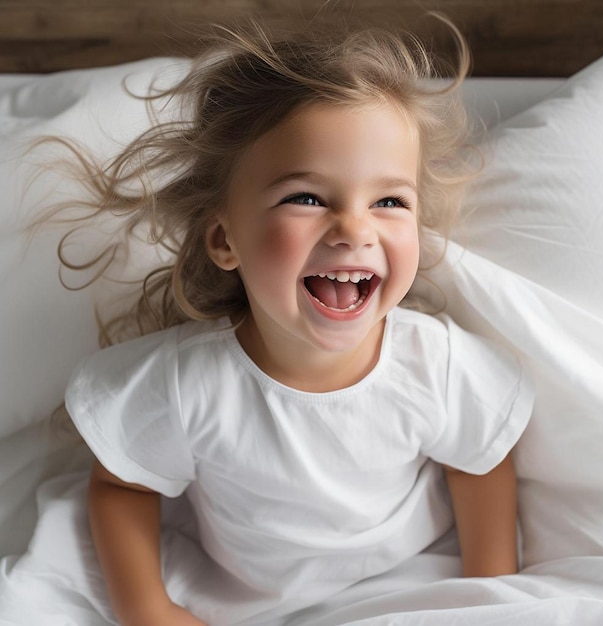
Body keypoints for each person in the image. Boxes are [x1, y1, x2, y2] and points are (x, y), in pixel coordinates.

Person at [59, 13, 534, 626]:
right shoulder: (188, 384)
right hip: (240, 600)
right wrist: (147, 609)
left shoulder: (433, 364)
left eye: (389, 201)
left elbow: (483, 456)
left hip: (408, 583)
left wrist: (490, 587)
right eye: (306, 198)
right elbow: (124, 485)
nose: (355, 229)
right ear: (226, 239)